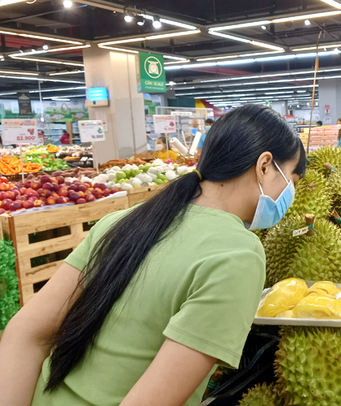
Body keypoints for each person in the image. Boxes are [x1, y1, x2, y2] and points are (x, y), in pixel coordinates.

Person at [0, 105, 306, 406]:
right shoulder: (240, 254)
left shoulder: (122, 221)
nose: (288, 198)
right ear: (264, 166)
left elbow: (26, 334)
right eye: (291, 181)